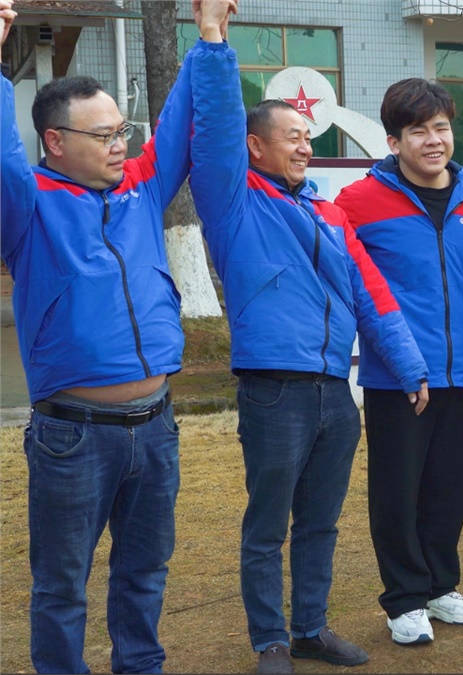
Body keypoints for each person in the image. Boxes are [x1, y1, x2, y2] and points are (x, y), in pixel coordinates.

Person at [188, 17, 430, 673]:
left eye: (307, 136)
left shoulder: (327, 212)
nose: (305, 146)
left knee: (321, 522)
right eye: (291, 137)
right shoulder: (235, 202)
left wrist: (409, 365)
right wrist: (213, 43)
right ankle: (270, 640)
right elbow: (213, 133)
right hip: (274, 391)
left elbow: (371, 294)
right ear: (254, 147)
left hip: (333, 394)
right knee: (268, 526)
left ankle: (310, 630)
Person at [0, 1, 234, 671]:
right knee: (60, 585)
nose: (119, 144)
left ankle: (140, 664)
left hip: (155, 427)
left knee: (144, 570)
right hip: (73, 436)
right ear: (54, 142)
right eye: (102, 135)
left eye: (122, 130)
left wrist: (210, 40)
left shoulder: (139, 190)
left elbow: (182, 120)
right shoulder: (28, 207)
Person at [335, 79, 463, 646]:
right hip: (395, 376)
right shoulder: (357, 202)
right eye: (418, 130)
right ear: (394, 141)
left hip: (461, 371)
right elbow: (354, 286)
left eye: (441, 128)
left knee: (449, 486)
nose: (433, 141)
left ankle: (440, 586)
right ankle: (404, 599)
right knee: (397, 492)